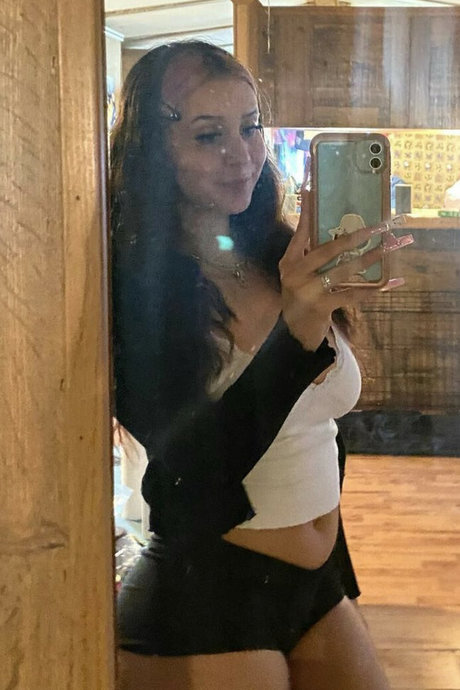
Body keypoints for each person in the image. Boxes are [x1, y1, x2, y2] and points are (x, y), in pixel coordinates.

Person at [111, 41, 412, 690]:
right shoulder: (134, 287)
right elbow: (184, 484)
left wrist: (336, 574)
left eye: (250, 127)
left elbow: (317, 433)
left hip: (319, 588)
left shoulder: (279, 254)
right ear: (151, 151)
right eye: (208, 134)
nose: (242, 155)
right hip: (205, 593)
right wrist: (296, 336)